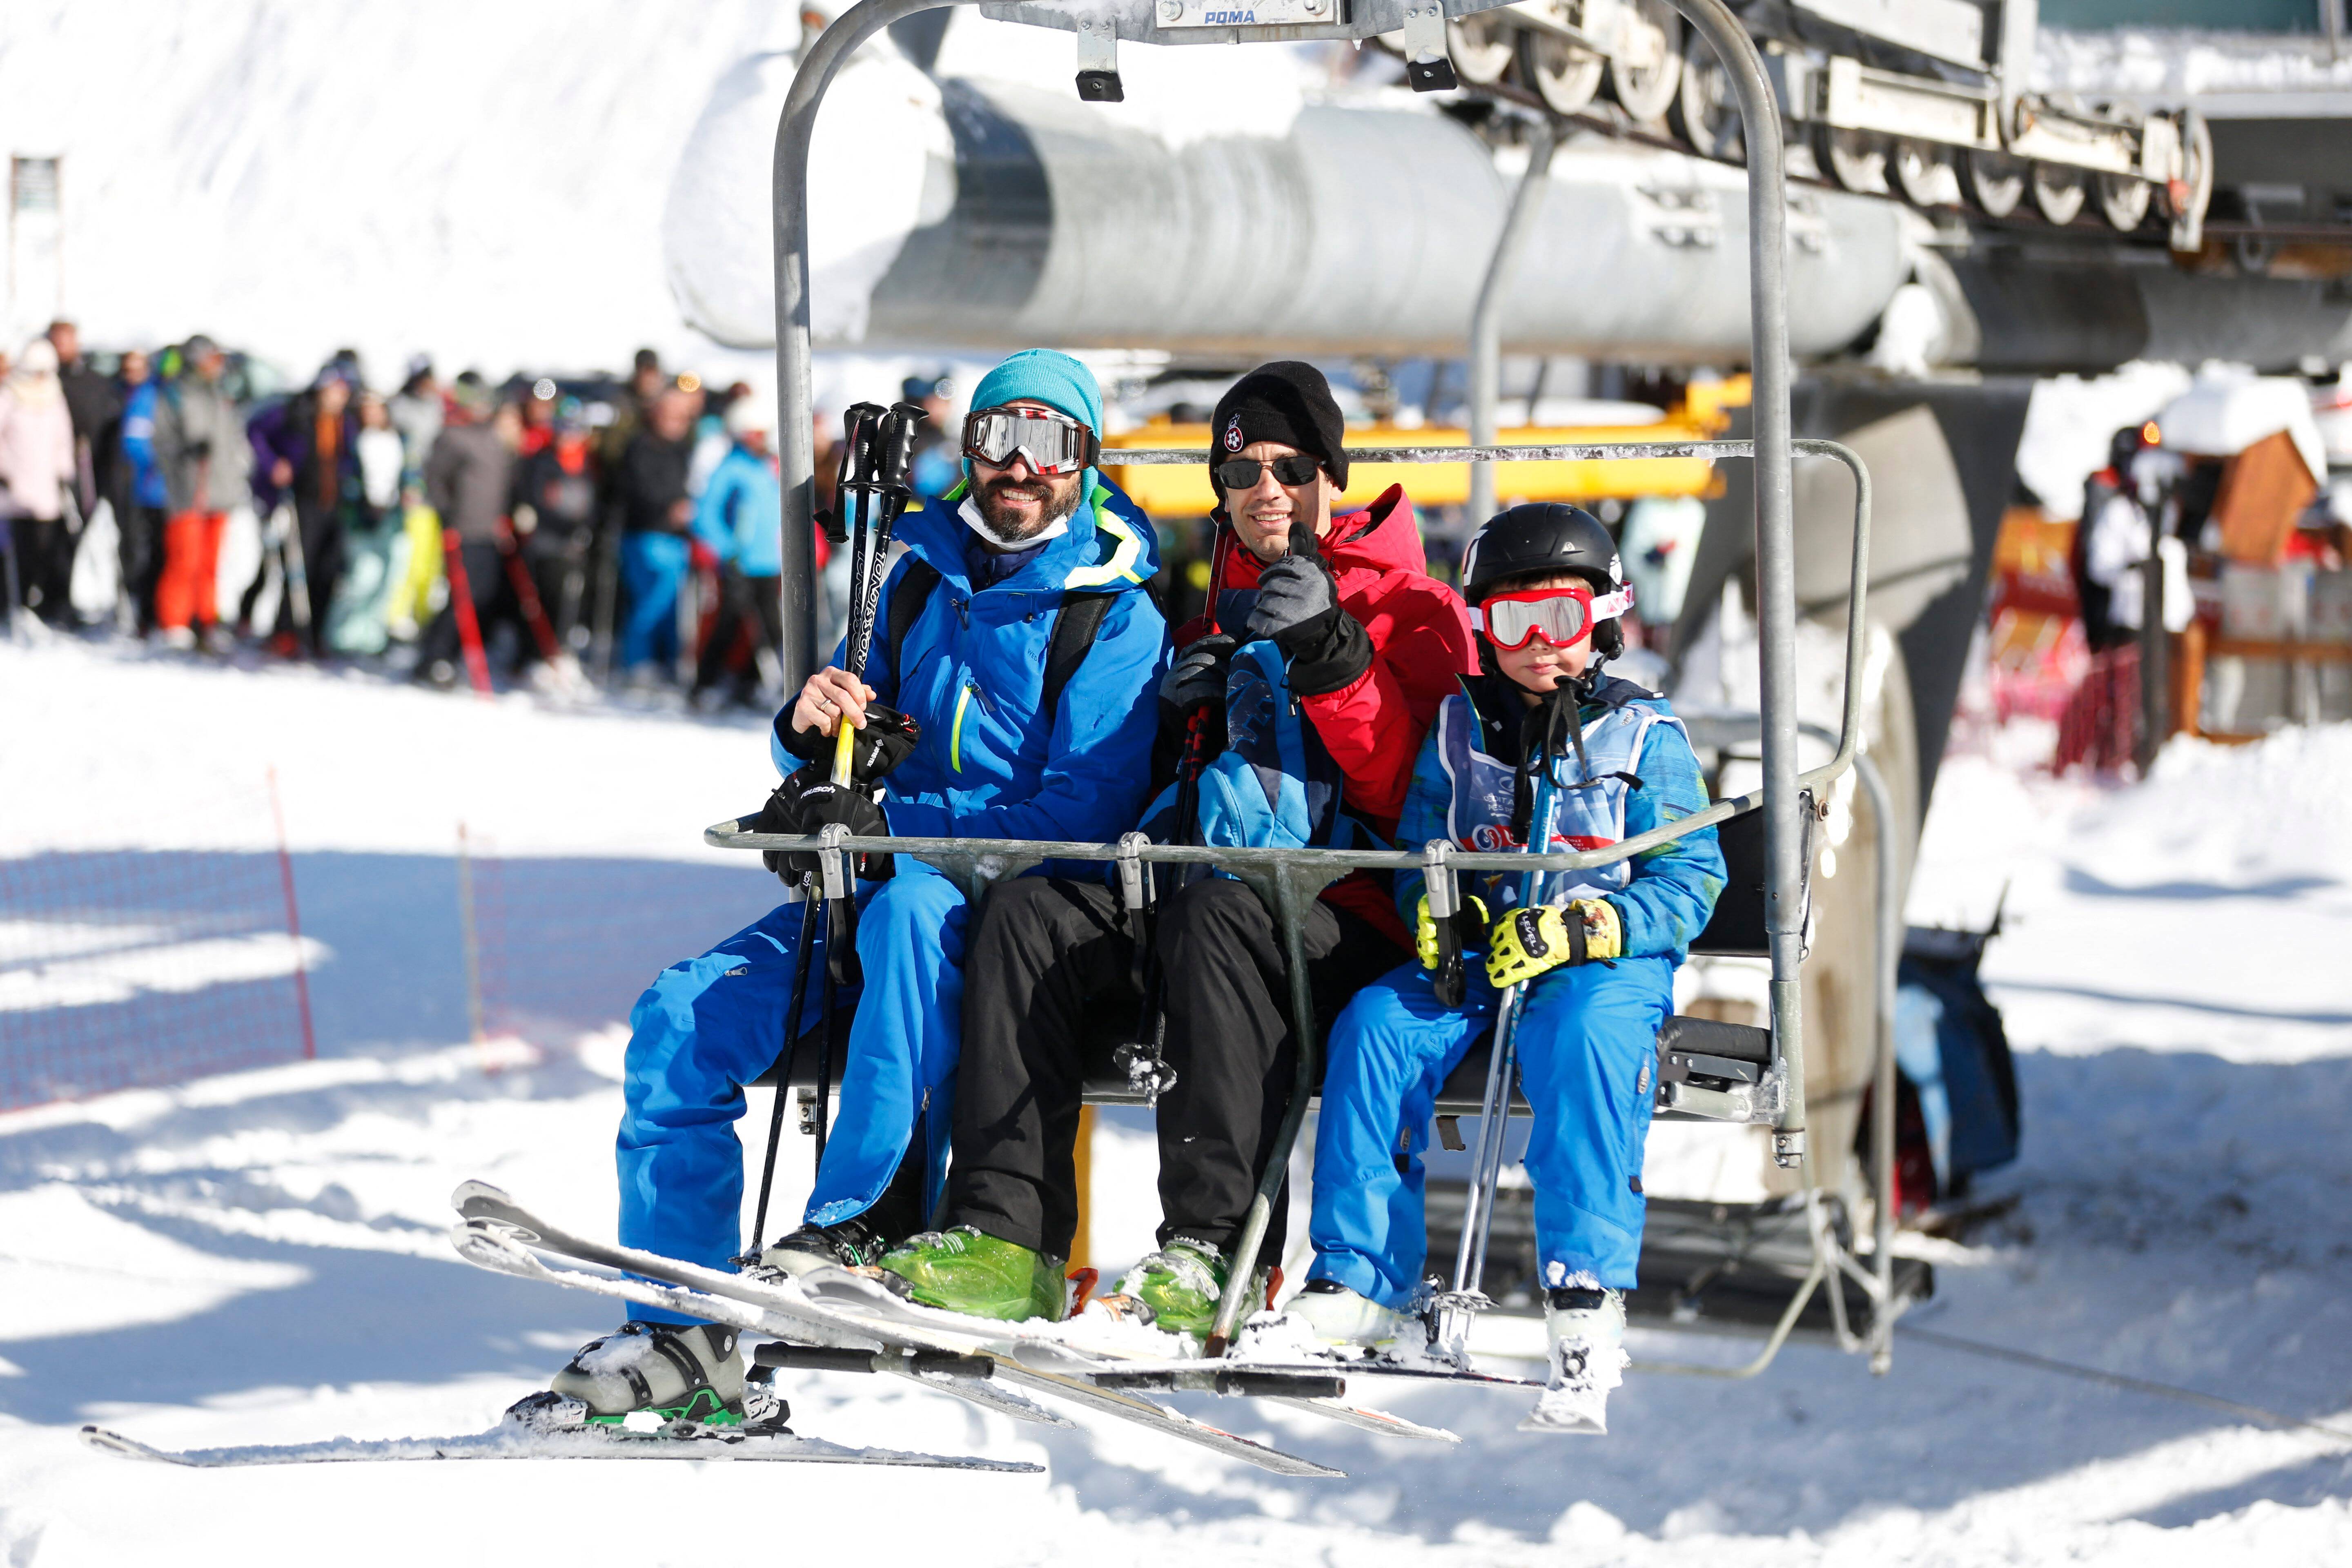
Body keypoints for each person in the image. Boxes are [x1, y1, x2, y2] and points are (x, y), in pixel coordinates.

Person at [543, 350, 1168, 1427]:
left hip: (996, 914)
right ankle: (678, 1322)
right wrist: (809, 733)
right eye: (996, 439)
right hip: (862, 891)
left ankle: (861, 1215)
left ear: (1086, 461)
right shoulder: (914, 570)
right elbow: (847, 733)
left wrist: (896, 837)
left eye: (1051, 442)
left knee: (916, 914)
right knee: (680, 1016)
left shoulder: (1113, 617)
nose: (1020, 467)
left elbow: (1081, 814)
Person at [879, 361, 1477, 1336]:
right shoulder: (1210, 605)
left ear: (1331, 475)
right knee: (1033, 910)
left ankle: (1216, 1248)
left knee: (1216, 913)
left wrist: (1335, 665)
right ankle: (1006, 1238)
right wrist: (1175, 726)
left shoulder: (1412, 607)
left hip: (1353, 915)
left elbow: (1426, 797)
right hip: (1205, 891)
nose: (1265, 492)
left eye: (1289, 467)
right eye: (1240, 474)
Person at [1291, 502, 1725, 1435]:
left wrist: (1592, 923)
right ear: (1483, 627)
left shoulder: (1644, 734)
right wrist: (1437, 918)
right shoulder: (1460, 728)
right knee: (1375, 1027)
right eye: (1512, 623)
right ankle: (1358, 1281)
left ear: (1601, 621)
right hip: (1486, 953)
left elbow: (1691, 877)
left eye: (1558, 623)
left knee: (1581, 1042)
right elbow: (1421, 847)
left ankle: (1582, 1302)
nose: (1538, 648)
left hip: (1600, 963)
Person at [245, 365, 362, 655]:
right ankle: (286, 632)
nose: (339, 397)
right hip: (301, 501)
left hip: (333, 503)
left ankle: (316, 632)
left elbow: (348, 458)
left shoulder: (344, 422)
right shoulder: (296, 412)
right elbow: (256, 430)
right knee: (298, 568)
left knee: (329, 570)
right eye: (334, 390)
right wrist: (273, 464)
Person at [151, 336, 254, 646]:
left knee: (211, 563)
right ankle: (175, 622)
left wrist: (239, 473)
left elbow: (235, 441)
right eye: (211, 359)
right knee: (185, 559)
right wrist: (186, 453)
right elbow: (161, 442)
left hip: (220, 489)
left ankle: (207, 620)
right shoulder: (176, 395)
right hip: (188, 490)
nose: (217, 365)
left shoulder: (223, 396)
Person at [416, 387, 522, 685]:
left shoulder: (495, 440)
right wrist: (445, 514)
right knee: (461, 597)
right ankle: (434, 657)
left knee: (483, 596)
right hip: (462, 529)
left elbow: (505, 484)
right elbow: (435, 479)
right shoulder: (453, 437)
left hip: (490, 531)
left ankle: (455, 656)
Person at [688, 391, 786, 707]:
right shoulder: (731, 468)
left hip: (768, 563)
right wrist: (728, 548)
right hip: (739, 562)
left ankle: (756, 684)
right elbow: (705, 515)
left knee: (772, 629)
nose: (764, 440)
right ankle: (705, 684)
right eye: (758, 434)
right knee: (729, 625)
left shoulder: (769, 467)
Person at [612, 385, 698, 681]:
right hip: (645, 535)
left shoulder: (683, 449)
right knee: (651, 601)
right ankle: (638, 661)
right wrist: (670, 508)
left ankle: (667, 661)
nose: (679, 424)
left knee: (672, 606)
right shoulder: (641, 447)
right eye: (674, 417)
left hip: (677, 538)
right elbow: (638, 491)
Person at [509, 396, 599, 653]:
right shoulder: (542, 462)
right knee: (539, 601)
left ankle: (558, 650)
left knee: (567, 602)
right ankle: (532, 655)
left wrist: (584, 529)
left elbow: (593, 505)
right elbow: (536, 501)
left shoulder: (587, 465)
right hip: (545, 543)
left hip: (573, 546)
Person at [0, 339, 77, 624]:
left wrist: (64, 472)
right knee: (18, 550)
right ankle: (13, 602)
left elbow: (63, 439)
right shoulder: (9, 396)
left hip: (46, 488)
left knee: (46, 548)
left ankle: (42, 601)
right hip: (15, 487)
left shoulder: (55, 397)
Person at [112, 349, 171, 633]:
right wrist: (165, 463)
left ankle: (166, 613)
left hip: (179, 494)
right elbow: (134, 443)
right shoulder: (148, 398)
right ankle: (143, 613)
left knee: (170, 556)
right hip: (149, 491)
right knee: (144, 555)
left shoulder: (175, 397)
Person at [49, 320, 120, 526]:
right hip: (54, 471)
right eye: (57, 341)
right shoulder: (45, 381)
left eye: (66, 340)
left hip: (91, 467)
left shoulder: (94, 382)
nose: (61, 346)